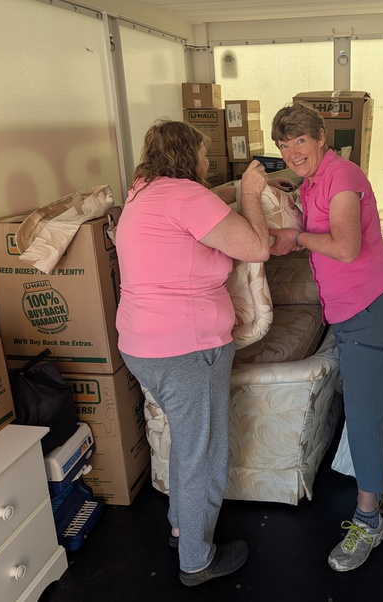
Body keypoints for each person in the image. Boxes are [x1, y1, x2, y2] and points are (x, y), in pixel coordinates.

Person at [115, 120, 270, 587]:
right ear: (189, 155)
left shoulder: (143, 193)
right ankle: (197, 561)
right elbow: (257, 247)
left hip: (142, 344)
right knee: (204, 449)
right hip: (187, 347)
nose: (208, 160)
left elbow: (199, 212)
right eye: (203, 152)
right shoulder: (186, 196)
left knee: (188, 439)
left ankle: (183, 529)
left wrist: (228, 193)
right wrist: (249, 193)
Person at [269, 103, 383, 573]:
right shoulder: (315, 179)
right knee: (374, 408)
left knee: (361, 417)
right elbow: (304, 194)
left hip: (368, 304)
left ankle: (368, 518)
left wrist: (296, 239)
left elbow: (346, 246)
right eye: (282, 144)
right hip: (353, 307)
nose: (291, 151)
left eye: (299, 141)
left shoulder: (342, 175)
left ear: (321, 139)